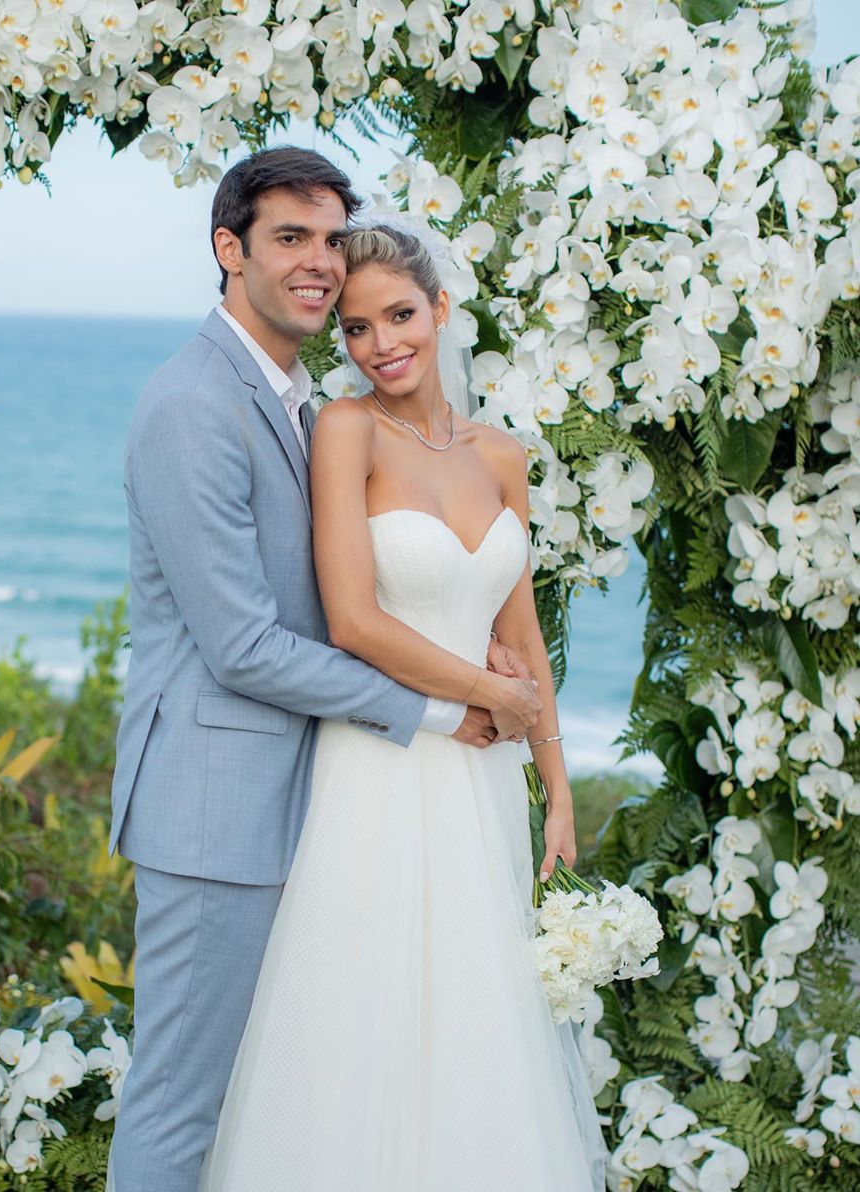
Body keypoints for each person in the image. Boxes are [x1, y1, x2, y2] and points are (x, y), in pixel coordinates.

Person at [108, 148, 543, 1192]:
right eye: (287, 238)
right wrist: (445, 708)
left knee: (294, 1104)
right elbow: (245, 644)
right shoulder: (192, 405)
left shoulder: (307, 405)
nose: (316, 264)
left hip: (320, 805)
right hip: (216, 810)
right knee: (183, 1105)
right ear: (229, 249)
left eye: (328, 240)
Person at [194, 223, 607, 1190]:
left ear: (440, 311)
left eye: (399, 316)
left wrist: (556, 784)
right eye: (357, 327)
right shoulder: (346, 430)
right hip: (383, 764)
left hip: (485, 777)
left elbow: (525, 627)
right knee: (361, 1022)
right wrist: (484, 691)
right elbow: (352, 620)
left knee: (478, 1019)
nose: (381, 344)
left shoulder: (502, 456)